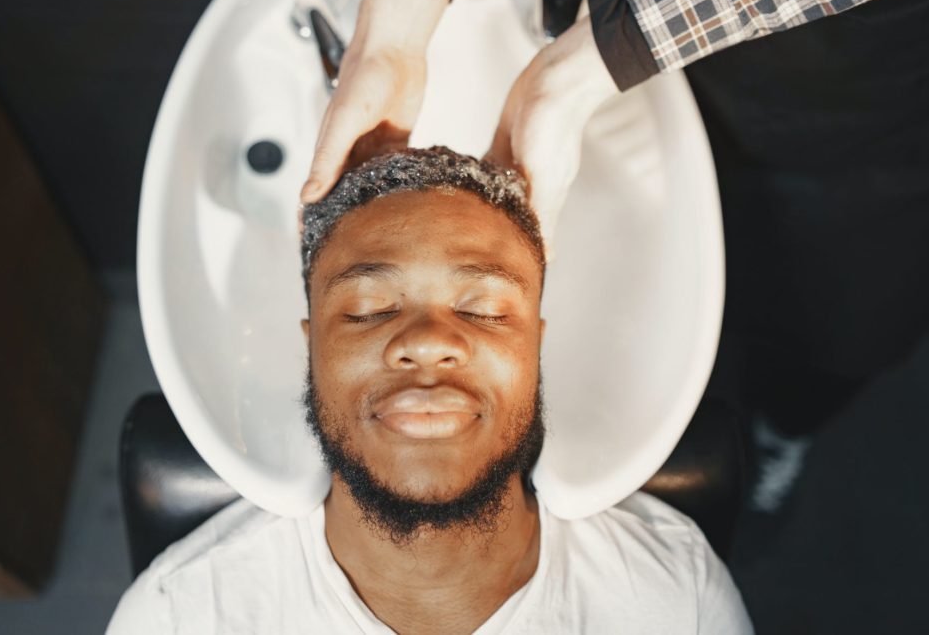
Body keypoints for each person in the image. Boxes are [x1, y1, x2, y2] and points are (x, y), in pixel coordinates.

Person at [302, 0, 929, 515]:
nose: (429, 346)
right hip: (638, 2)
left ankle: (784, 423)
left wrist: (599, 57)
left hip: (855, 93)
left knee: (844, 319)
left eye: (479, 304)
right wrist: (389, 36)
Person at [107, 147, 753, 633]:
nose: (426, 340)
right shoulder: (180, 617)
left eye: (485, 309)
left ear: (535, 345)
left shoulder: (675, 600)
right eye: (365, 308)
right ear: (311, 346)